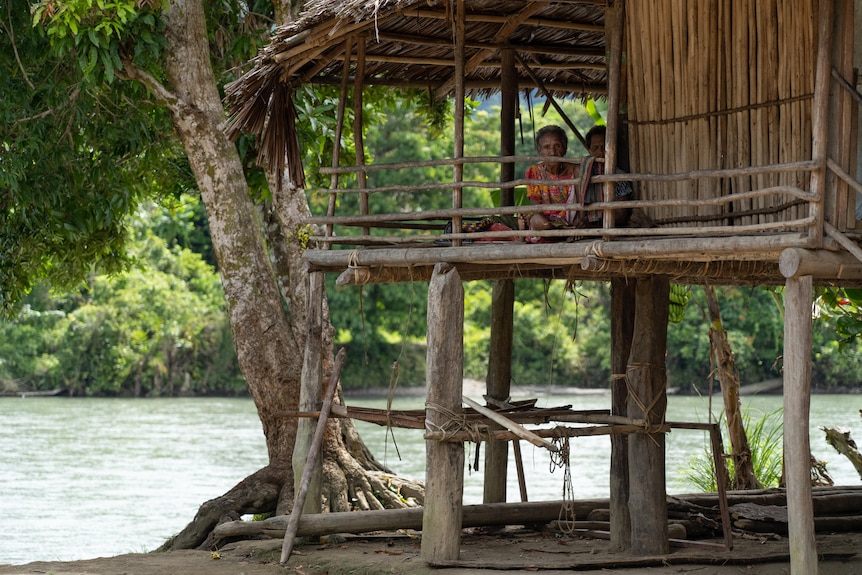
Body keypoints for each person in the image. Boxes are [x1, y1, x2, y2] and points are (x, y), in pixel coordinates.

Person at [570, 125, 633, 229]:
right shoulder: (582, 173)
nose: (600, 152)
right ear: (589, 150)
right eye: (595, 148)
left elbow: (621, 216)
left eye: (604, 148)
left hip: (611, 228)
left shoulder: (619, 176)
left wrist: (593, 222)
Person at [521, 125, 577, 235]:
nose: (552, 152)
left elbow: (581, 203)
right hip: (547, 223)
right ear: (539, 151)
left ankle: (567, 230)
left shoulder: (575, 170)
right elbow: (535, 204)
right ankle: (559, 232)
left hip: (571, 219)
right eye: (547, 147)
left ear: (565, 148)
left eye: (557, 146)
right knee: (536, 220)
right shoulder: (534, 172)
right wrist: (550, 223)